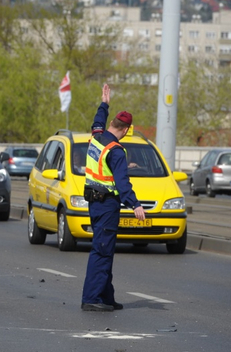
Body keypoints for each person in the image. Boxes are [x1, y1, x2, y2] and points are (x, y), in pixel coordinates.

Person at [81, 84, 146, 312]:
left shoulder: (98, 137)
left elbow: (97, 121)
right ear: (127, 129)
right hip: (107, 205)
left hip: (94, 202)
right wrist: (135, 205)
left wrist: (105, 103)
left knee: (104, 249)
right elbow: (122, 184)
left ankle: (106, 296)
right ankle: (91, 298)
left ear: (111, 124)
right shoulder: (116, 151)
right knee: (102, 251)